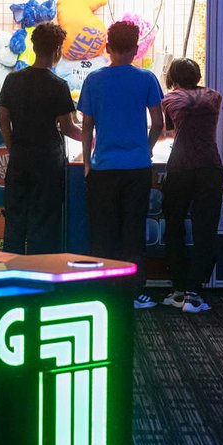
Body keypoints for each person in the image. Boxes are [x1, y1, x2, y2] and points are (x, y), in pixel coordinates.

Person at [77, 20, 165, 308]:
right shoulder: (147, 78)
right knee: (133, 231)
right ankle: (134, 292)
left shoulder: (94, 80)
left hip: (103, 168)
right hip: (137, 168)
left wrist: (87, 162)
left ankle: (103, 292)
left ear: (107, 47)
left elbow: (87, 126)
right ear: (136, 48)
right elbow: (158, 123)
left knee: (102, 232)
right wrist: (146, 149)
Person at [0, 22, 82, 254]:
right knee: (44, 225)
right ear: (57, 51)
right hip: (48, 163)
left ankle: (11, 270)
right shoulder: (59, 86)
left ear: (33, 47)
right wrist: (91, 138)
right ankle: (40, 272)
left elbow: (3, 120)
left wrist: (13, 148)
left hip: (20, 159)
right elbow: (68, 127)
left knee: (14, 222)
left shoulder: (13, 80)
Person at [157, 57, 222, 313]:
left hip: (180, 166)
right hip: (210, 166)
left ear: (172, 77)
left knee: (174, 227)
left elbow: (171, 130)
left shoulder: (169, 99)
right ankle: (194, 293)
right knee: (205, 229)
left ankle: (178, 289)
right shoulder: (214, 96)